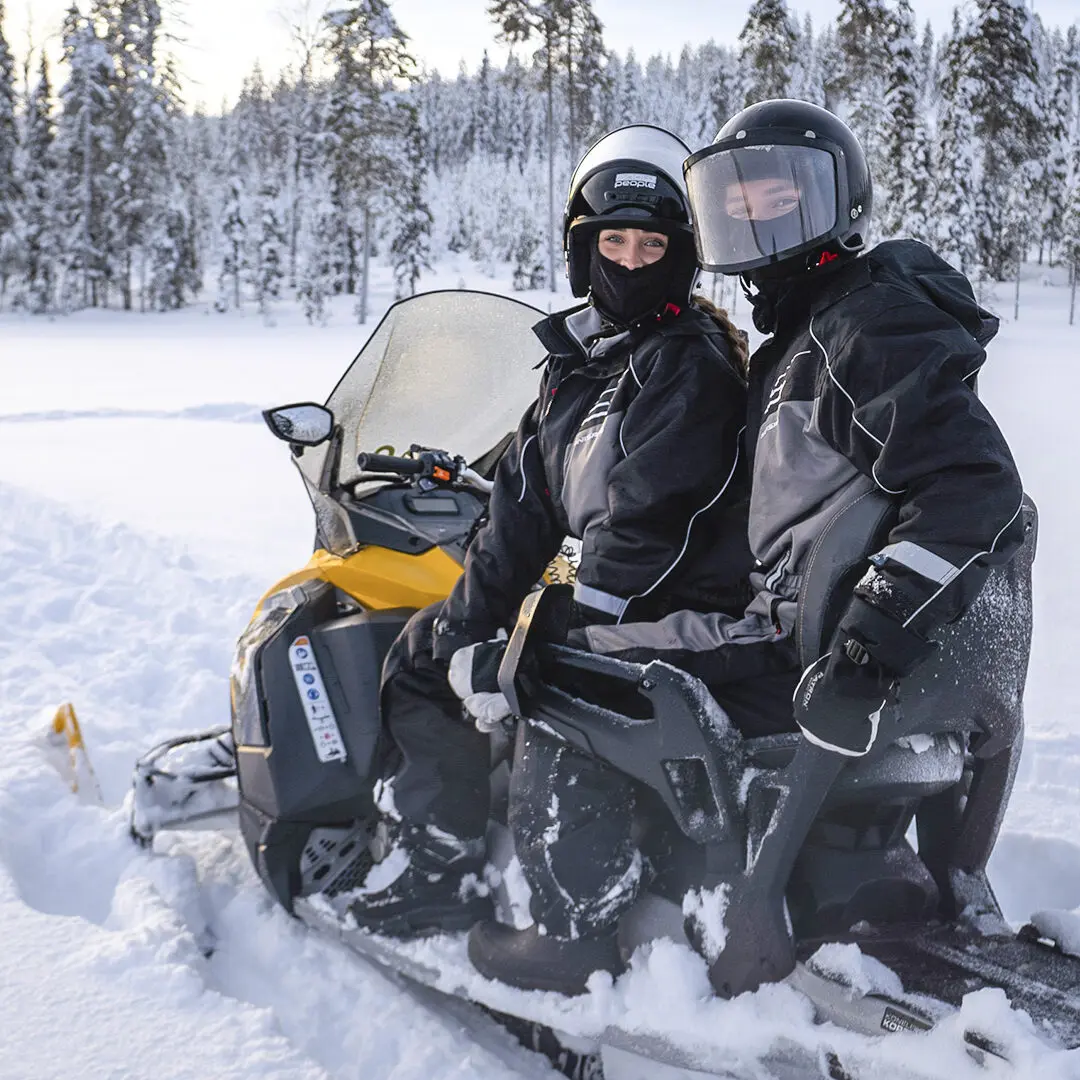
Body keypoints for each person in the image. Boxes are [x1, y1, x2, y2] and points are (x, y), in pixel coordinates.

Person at [467, 99, 1026, 993]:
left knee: (559, 668)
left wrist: (870, 638)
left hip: (796, 644)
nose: (763, 222)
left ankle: (570, 938)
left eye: (787, 199)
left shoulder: (859, 324)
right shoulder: (812, 335)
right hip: (801, 626)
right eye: (743, 204)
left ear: (839, 204)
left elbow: (975, 485)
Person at [347, 125, 755, 938]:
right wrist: (475, 612)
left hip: (675, 603)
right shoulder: (582, 360)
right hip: (617, 590)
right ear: (584, 248)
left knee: (519, 664)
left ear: (681, 252)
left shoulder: (690, 365)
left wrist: (541, 626)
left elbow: (646, 525)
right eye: (615, 240)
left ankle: (559, 898)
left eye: (651, 243)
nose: (632, 260)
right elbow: (521, 504)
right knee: (429, 646)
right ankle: (440, 856)